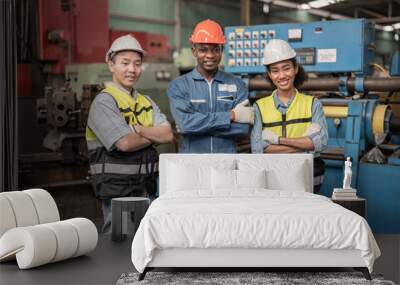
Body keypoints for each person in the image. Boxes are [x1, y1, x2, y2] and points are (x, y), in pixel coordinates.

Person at [85, 34, 174, 234]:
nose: (132, 69)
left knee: (148, 239)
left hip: (147, 188)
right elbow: (124, 143)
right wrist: (152, 134)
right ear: (111, 65)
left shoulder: (145, 101)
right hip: (118, 192)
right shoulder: (104, 102)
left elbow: (168, 134)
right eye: (125, 63)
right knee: (120, 247)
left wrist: (139, 130)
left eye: (137, 64)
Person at [251, 39, 328, 193]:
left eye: (286, 68)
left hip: (307, 178)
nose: (282, 75)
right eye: (275, 70)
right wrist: (304, 148)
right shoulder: (259, 106)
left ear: (295, 68)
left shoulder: (313, 104)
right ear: (269, 74)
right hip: (274, 179)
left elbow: (321, 143)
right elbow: (258, 148)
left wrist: (277, 141)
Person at [167, 19, 254, 153]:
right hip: (192, 162)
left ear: (222, 50)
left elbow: (242, 129)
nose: (210, 55)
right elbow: (185, 124)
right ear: (194, 51)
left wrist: (196, 128)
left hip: (226, 161)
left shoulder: (237, 85)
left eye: (215, 50)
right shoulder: (179, 86)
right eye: (203, 50)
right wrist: (230, 116)